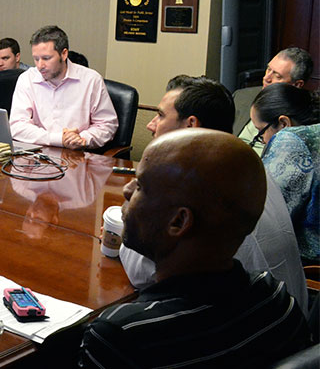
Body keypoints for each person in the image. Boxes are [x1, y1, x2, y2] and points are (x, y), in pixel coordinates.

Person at [79, 129, 309, 368]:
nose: (126, 189)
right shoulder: (277, 300)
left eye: (141, 186)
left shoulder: (121, 335)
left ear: (178, 222)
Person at [122, 75, 307, 312]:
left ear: (191, 124)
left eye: (160, 115)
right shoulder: (249, 165)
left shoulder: (194, 182)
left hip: (246, 328)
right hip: (283, 317)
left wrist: (119, 226)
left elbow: (144, 272)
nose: (151, 124)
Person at [9, 25, 117, 149]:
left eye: (46, 58)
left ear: (64, 54)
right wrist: (58, 139)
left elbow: (107, 125)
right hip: (38, 155)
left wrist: (83, 139)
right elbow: (16, 126)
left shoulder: (91, 80)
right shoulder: (27, 79)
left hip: (78, 156)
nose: (40, 65)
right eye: (36, 59)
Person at [251, 83, 320, 261]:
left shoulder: (290, 139)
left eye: (261, 132)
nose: (263, 141)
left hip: (308, 270)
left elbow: (265, 219)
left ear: (283, 123)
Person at [237, 47, 313, 155]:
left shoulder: (301, 121)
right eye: (268, 69)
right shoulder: (241, 96)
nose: (266, 78)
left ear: (297, 85)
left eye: (277, 76)